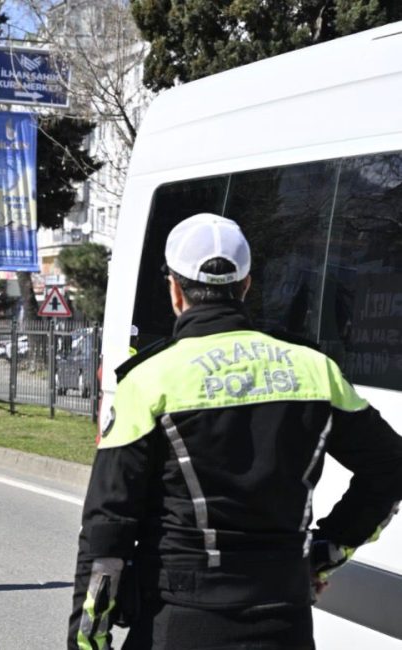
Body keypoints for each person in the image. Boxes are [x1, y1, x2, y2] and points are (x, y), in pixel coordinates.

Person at [68, 213, 402, 649]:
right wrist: (325, 551)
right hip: (286, 621)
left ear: (174, 289)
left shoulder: (149, 380)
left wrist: (86, 641)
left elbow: (107, 526)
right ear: (245, 286)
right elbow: (391, 467)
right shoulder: (315, 369)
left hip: (180, 622)